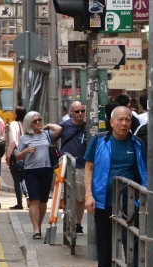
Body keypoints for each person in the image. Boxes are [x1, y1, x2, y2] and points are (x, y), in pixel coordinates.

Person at [84, 106, 148, 267]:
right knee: (105, 242)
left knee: (132, 244)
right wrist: (88, 194)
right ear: (111, 122)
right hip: (103, 200)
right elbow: (88, 167)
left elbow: (143, 171)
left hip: (130, 203)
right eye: (119, 119)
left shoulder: (137, 143)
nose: (123, 123)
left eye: (127, 119)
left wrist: (143, 198)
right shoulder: (99, 140)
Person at [17, 111, 61, 240]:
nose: (38, 123)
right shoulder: (24, 138)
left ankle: (39, 225)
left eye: (39, 120)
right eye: (35, 121)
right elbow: (17, 156)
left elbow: (59, 129)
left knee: (43, 202)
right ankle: (36, 229)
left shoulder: (47, 134)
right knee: (34, 200)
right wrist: (26, 151)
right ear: (28, 124)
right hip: (31, 171)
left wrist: (48, 125)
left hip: (46, 170)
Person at [58, 101, 90, 233]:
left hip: (82, 167)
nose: (80, 114)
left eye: (82, 111)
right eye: (77, 111)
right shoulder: (64, 126)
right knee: (66, 195)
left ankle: (78, 224)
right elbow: (52, 138)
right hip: (66, 166)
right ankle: (68, 221)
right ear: (71, 112)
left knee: (80, 197)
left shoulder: (89, 127)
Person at [6, 106, 29, 210]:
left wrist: (8, 155)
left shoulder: (13, 124)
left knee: (17, 179)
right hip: (27, 153)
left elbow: (13, 141)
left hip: (16, 153)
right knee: (23, 177)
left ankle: (19, 203)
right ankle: (28, 197)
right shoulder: (26, 124)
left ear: (16, 114)